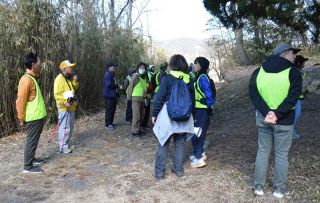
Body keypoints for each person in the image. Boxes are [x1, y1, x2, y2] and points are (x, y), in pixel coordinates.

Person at [249, 42, 302, 198]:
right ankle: (279, 189)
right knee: (281, 155)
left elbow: (254, 95)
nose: (295, 56)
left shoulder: (258, 71)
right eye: (293, 53)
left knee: (263, 151)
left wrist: (267, 113)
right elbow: (293, 98)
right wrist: (277, 114)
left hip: (263, 119)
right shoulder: (294, 73)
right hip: (284, 121)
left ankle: (258, 187)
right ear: (284, 53)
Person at [152, 54, 192, 180]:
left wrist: (154, 114)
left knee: (163, 142)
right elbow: (193, 100)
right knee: (180, 143)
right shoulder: (189, 79)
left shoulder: (167, 79)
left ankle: (160, 172)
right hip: (185, 116)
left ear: (172, 65)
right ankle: (178, 169)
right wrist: (192, 115)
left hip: (168, 115)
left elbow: (159, 98)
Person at [16, 52, 47, 174]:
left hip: (37, 117)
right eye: (39, 62)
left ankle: (32, 159)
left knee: (34, 140)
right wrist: (21, 118)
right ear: (33, 64)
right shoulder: (26, 80)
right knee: (31, 140)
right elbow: (20, 100)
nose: (40, 64)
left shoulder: (33, 78)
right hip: (32, 118)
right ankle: (27, 166)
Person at [190, 57, 215, 168]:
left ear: (201, 66)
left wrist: (209, 106)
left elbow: (209, 94)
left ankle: (199, 158)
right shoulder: (199, 76)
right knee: (198, 132)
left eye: (196, 63)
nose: (194, 65)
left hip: (202, 110)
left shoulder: (203, 78)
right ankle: (199, 153)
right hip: (198, 109)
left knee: (198, 132)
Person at [54, 60, 80, 154]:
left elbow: (72, 89)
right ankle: (63, 146)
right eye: (70, 67)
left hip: (71, 106)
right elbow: (57, 95)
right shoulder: (59, 79)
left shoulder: (67, 78)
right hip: (64, 108)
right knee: (65, 128)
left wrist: (75, 81)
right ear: (64, 69)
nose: (72, 69)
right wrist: (65, 103)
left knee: (70, 127)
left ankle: (67, 144)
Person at [127, 62, 148, 136]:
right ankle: (135, 131)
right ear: (138, 69)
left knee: (142, 114)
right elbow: (130, 87)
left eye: (143, 68)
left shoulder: (144, 77)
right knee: (136, 115)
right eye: (140, 68)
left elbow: (144, 88)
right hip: (135, 99)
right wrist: (129, 98)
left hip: (142, 99)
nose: (142, 69)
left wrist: (146, 96)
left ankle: (138, 129)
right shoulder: (135, 76)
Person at [293, 55, 310, 139]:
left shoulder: (301, 72)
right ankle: (290, 131)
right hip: (294, 97)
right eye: (303, 62)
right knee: (296, 114)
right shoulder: (294, 72)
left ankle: (290, 131)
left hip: (298, 97)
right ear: (299, 63)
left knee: (296, 114)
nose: (305, 64)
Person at [103, 63, 121, 130]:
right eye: (113, 67)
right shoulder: (107, 74)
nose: (114, 68)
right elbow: (109, 85)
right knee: (109, 110)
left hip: (113, 95)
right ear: (109, 67)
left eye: (114, 67)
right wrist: (117, 85)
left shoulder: (112, 74)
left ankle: (110, 122)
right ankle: (107, 124)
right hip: (109, 95)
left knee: (113, 109)